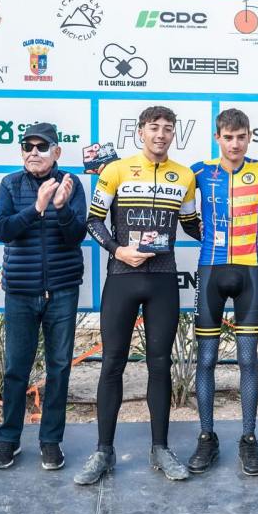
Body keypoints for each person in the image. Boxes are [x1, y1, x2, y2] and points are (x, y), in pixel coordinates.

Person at [75, 106, 201, 484]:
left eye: (168, 128)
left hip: (163, 280)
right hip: (122, 277)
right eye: (154, 128)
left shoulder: (184, 176)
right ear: (140, 132)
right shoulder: (115, 170)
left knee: (160, 365)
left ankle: (160, 448)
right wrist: (118, 251)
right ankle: (103, 451)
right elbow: (93, 220)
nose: (161, 134)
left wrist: (232, 231)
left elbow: (192, 224)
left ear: (174, 134)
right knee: (112, 363)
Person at [0, 123, 88, 471]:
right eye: (27, 146)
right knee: (16, 369)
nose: (33, 152)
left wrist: (60, 207)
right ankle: (8, 439)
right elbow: (3, 230)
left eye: (41, 146)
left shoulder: (71, 184)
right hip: (20, 291)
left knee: (59, 368)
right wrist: (37, 207)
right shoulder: (10, 184)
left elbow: (76, 236)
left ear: (56, 152)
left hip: (62, 290)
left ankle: (51, 441)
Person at [186, 109, 258, 476]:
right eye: (228, 137)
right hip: (211, 269)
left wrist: (251, 229)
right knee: (206, 360)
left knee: (248, 360)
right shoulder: (198, 171)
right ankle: (206, 437)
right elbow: (187, 218)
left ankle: (249, 439)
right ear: (217, 138)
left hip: (248, 272)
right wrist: (208, 235)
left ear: (249, 136)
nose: (235, 144)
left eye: (241, 137)